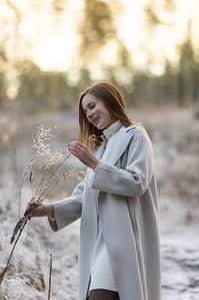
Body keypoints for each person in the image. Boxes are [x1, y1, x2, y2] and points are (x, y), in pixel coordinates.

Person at [30, 81, 161, 300]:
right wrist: (50, 209)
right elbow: (85, 196)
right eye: (85, 111)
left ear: (110, 100)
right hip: (100, 242)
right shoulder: (101, 147)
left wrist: (95, 165)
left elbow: (137, 182)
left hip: (126, 238)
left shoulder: (136, 136)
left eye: (92, 106)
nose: (89, 114)